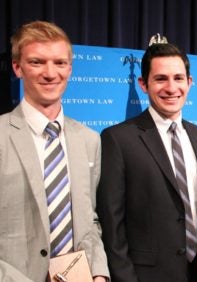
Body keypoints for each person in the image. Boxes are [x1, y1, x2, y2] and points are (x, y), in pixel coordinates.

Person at [97, 42, 197, 282]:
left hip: (195, 273)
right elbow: (112, 221)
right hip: (144, 275)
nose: (171, 88)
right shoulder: (118, 139)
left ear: (189, 83)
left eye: (178, 78)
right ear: (143, 84)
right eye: (161, 79)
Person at [0, 21, 109, 281]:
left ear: (70, 69)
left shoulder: (89, 140)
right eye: (37, 62)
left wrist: (98, 273)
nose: (50, 73)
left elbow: (90, 221)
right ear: (17, 67)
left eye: (60, 63)